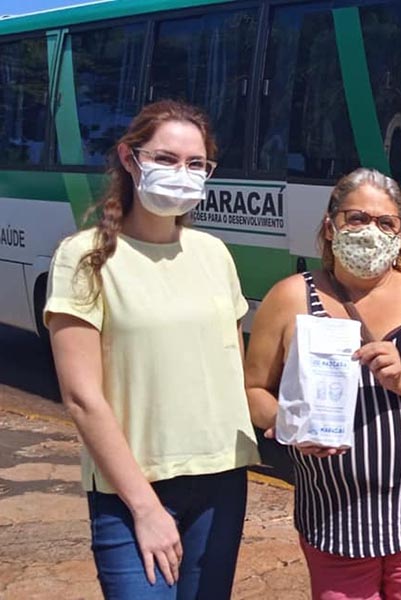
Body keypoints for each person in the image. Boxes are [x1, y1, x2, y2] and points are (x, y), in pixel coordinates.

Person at [45, 100, 260, 598]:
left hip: (221, 479)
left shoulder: (214, 254)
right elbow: (82, 398)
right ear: (128, 157)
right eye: (166, 159)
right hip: (131, 490)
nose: (181, 174)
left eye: (196, 164)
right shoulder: (84, 257)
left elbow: (230, 372)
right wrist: (144, 508)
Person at [244, 167, 401, 600]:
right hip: (334, 521)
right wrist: (289, 424)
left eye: (385, 222)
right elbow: (251, 391)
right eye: (356, 218)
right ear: (330, 225)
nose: (370, 231)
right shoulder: (291, 297)